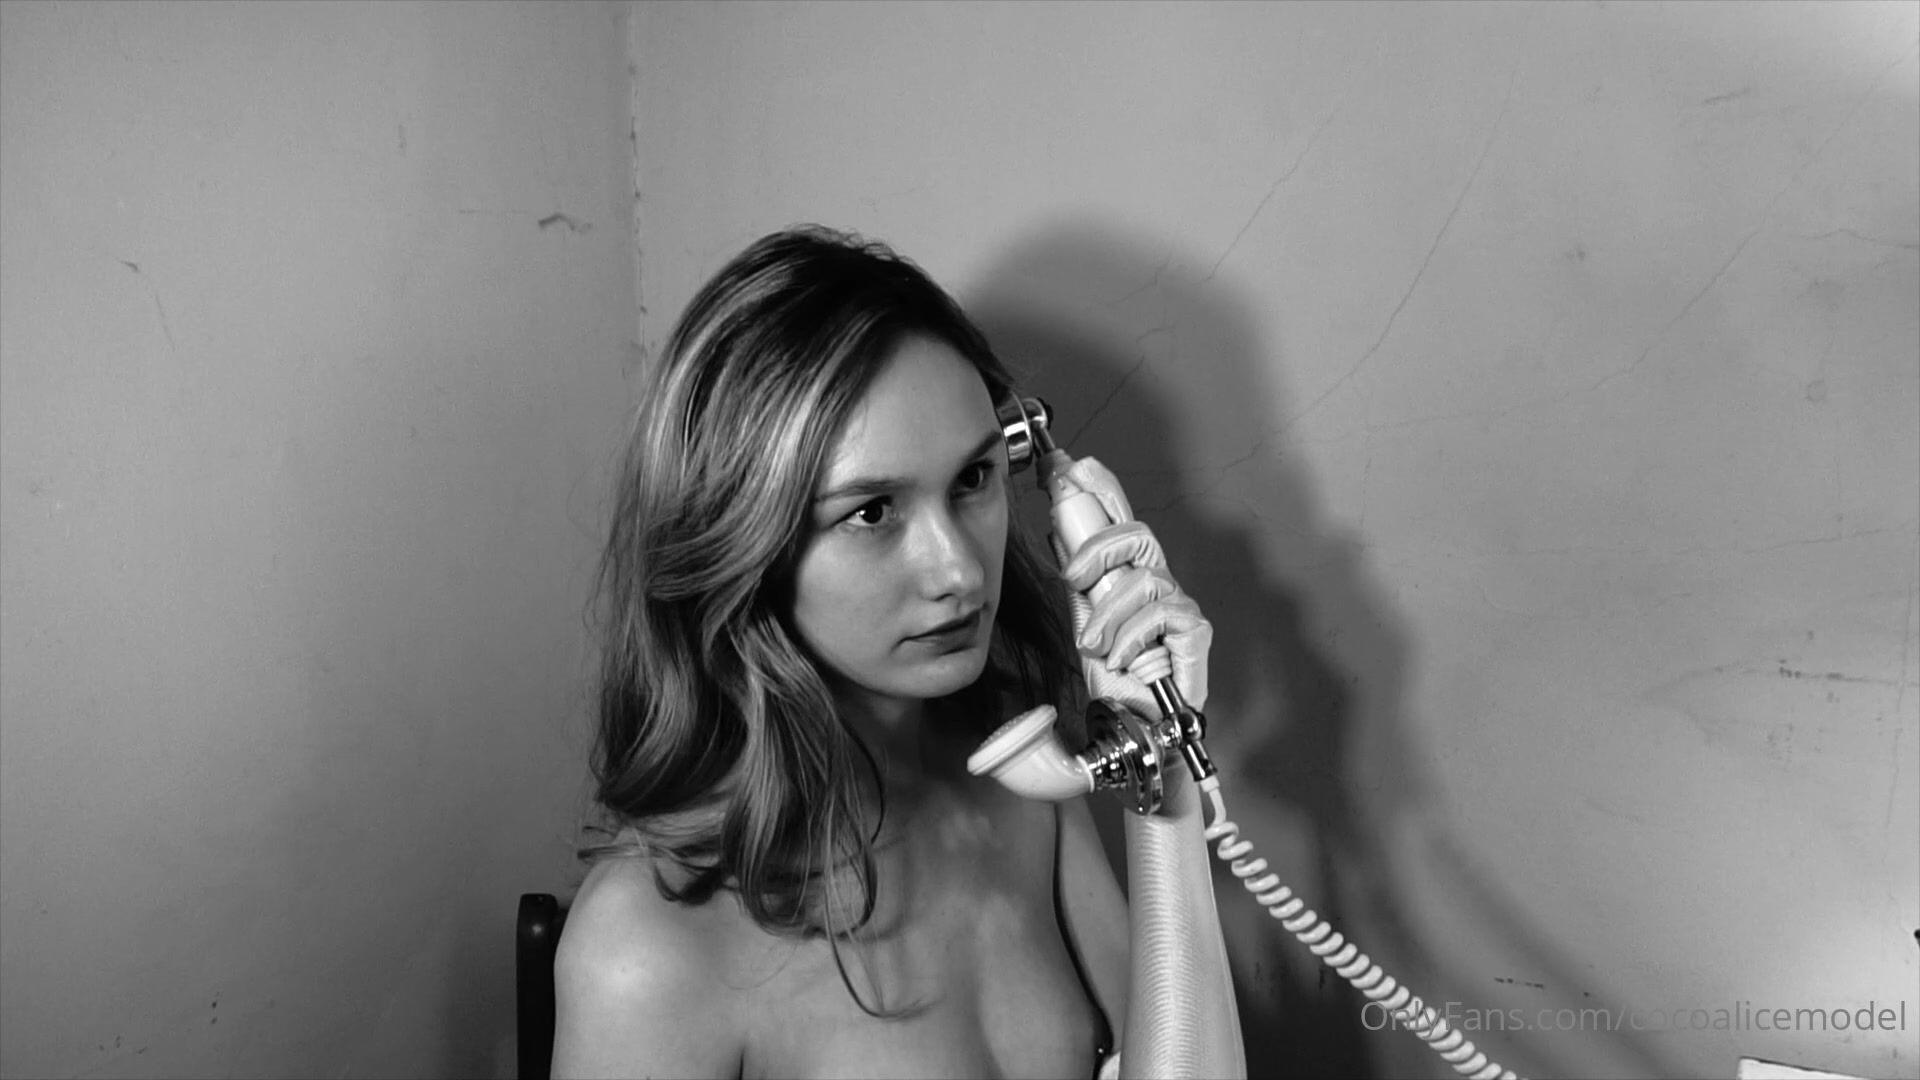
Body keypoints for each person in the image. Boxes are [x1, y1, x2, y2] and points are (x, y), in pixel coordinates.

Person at [551, 226, 1216, 1079]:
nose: (958, 571)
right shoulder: (644, 949)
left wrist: (1163, 753)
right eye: (871, 513)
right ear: (740, 539)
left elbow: (1182, 1064)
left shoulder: (1021, 776)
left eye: (973, 479)